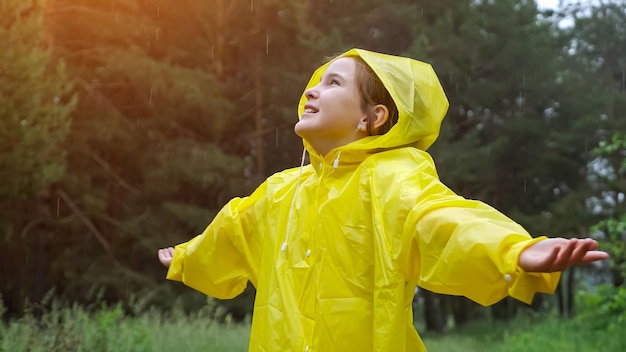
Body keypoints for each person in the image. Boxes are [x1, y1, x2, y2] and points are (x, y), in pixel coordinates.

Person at [157, 48, 608, 352]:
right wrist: (187, 256)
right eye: (314, 82)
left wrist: (514, 249)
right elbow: (233, 231)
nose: (311, 91)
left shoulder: (392, 178)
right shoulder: (280, 192)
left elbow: (439, 220)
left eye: (333, 83)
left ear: (374, 118)